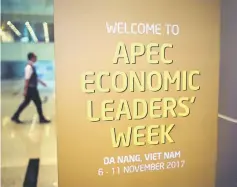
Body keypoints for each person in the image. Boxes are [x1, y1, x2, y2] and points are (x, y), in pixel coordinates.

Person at [11, 52, 50, 124]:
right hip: (31, 89)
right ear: (32, 58)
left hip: (32, 88)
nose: (36, 58)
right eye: (35, 57)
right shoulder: (28, 67)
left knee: (26, 103)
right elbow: (27, 79)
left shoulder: (32, 66)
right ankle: (41, 118)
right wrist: (25, 90)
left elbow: (34, 77)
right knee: (38, 103)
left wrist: (41, 82)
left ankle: (15, 116)